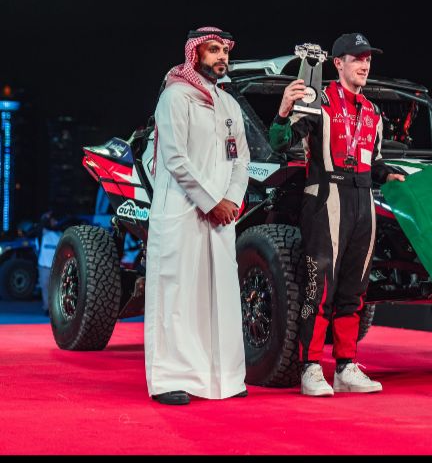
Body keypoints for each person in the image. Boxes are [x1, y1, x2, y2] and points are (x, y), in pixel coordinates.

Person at [270, 33, 406, 397]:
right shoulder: (318, 99)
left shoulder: (373, 112)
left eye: (368, 59)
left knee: (355, 290)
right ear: (338, 63)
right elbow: (279, 142)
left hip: (364, 200)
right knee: (320, 288)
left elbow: (375, 162)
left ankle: (346, 367)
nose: (364, 65)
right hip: (326, 196)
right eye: (357, 58)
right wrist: (283, 110)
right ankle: (311, 367)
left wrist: (387, 175)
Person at [144, 27, 250, 405]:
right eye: (213, 49)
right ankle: (169, 379)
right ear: (194, 54)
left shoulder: (229, 104)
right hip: (181, 212)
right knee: (177, 295)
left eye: (225, 50)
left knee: (220, 297)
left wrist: (231, 200)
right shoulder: (175, 97)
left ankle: (224, 379)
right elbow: (175, 159)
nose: (222, 56)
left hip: (221, 217)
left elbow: (242, 160)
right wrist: (212, 203)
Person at [37, 212, 62, 315]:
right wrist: (45, 217)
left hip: (56, 266)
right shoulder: (43, 233)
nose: (54, 222)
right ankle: (47, 308)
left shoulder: (60, 234)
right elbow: (40, 226)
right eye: (52, 220)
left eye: (55, 221)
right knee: (45, 287)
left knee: (56, 288)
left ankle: (56, 309)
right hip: (44, 266)